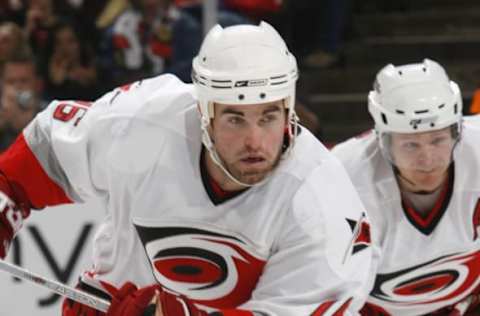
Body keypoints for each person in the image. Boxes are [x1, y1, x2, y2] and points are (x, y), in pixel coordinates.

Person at [0, 22, 374, 315]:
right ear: (204, 113)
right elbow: (40, 155)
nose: (255, 142)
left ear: (289, 110)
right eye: (235, 119)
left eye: (268, 116)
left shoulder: (320, 198)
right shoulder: (143, 121)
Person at [332, 59, 480, 315]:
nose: (427, 159)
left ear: (457, 132)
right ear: (383, 140)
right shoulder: (344, 175)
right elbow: (327, 287)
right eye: (411, 145)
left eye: (438, 140)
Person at [0, 53, 44, 151]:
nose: (17, 87)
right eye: (11, 82)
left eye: (24, 81)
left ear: (38, 84)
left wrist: (29, 125)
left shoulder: (49, 115)